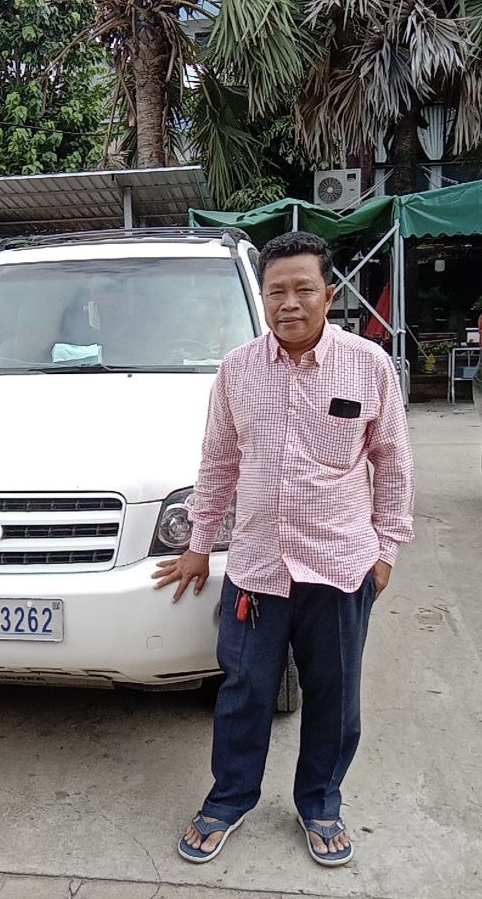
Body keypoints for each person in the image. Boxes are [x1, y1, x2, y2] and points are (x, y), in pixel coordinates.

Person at [153, 230, 414, 868]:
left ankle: (321, 803)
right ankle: (230, 799)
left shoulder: (368, 365)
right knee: (244, 690)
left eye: (303, 289)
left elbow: (393, 462)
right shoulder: (238, 370)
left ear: (330, 293)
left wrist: (386, 551)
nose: (289, 303)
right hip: (257, 567)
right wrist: (198, 543)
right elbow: (217, 463)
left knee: (335, 694)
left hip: (342, 563)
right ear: (262, 296)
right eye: (277, 291)